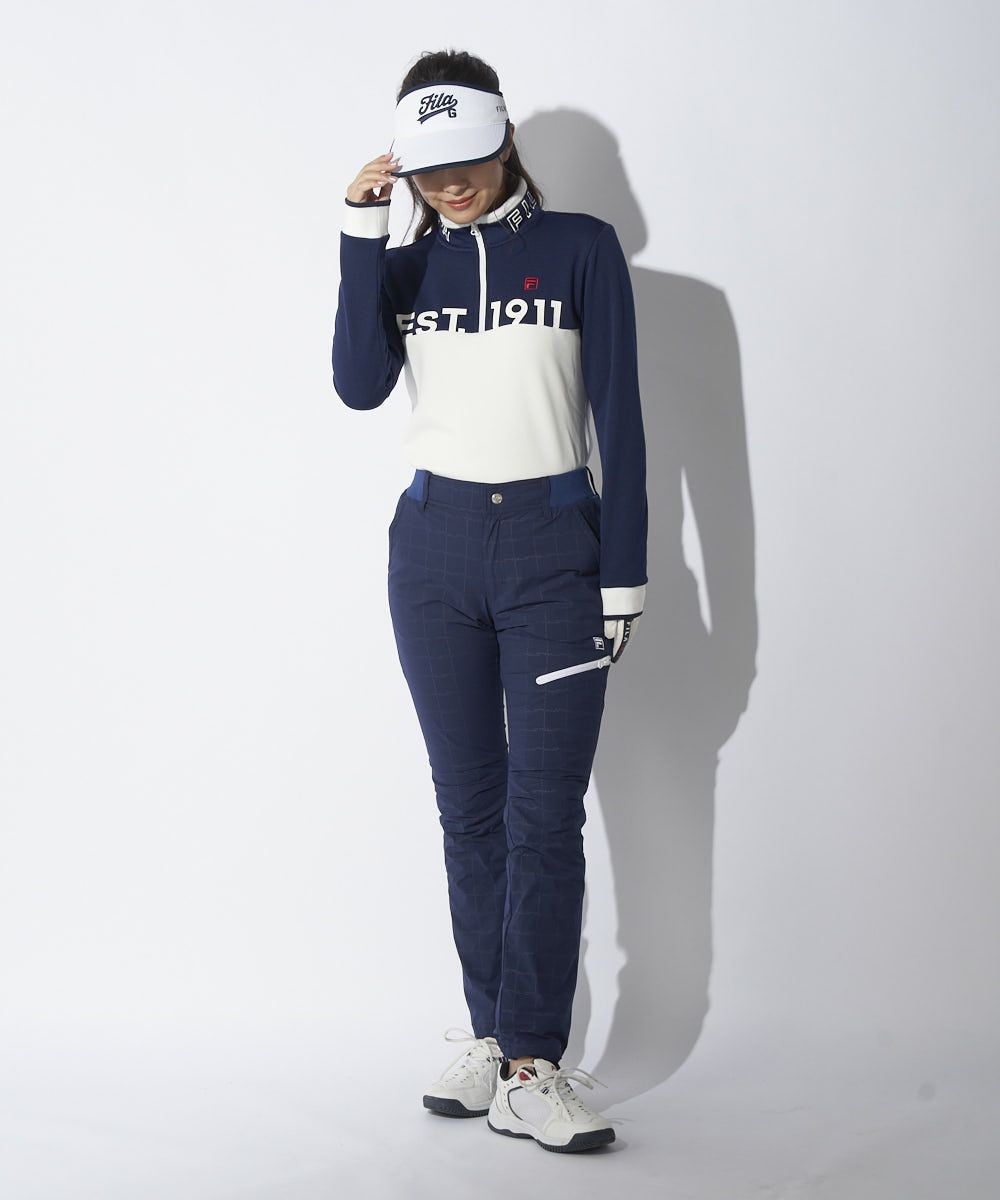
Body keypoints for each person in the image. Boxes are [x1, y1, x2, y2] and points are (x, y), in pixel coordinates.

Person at [331, 48, 648, 1154]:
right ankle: (488, 1031)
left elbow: (622, 419)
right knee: (467, 806)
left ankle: (530, 1065)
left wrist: (623, 574)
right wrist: (360, 233)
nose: (451, 184)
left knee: (543, 813)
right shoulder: (405, 266)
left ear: (505, 139)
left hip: (554, 547)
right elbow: (357, 385)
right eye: (427, 168)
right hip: (431, 549)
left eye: (467, 158)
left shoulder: (580, 250)